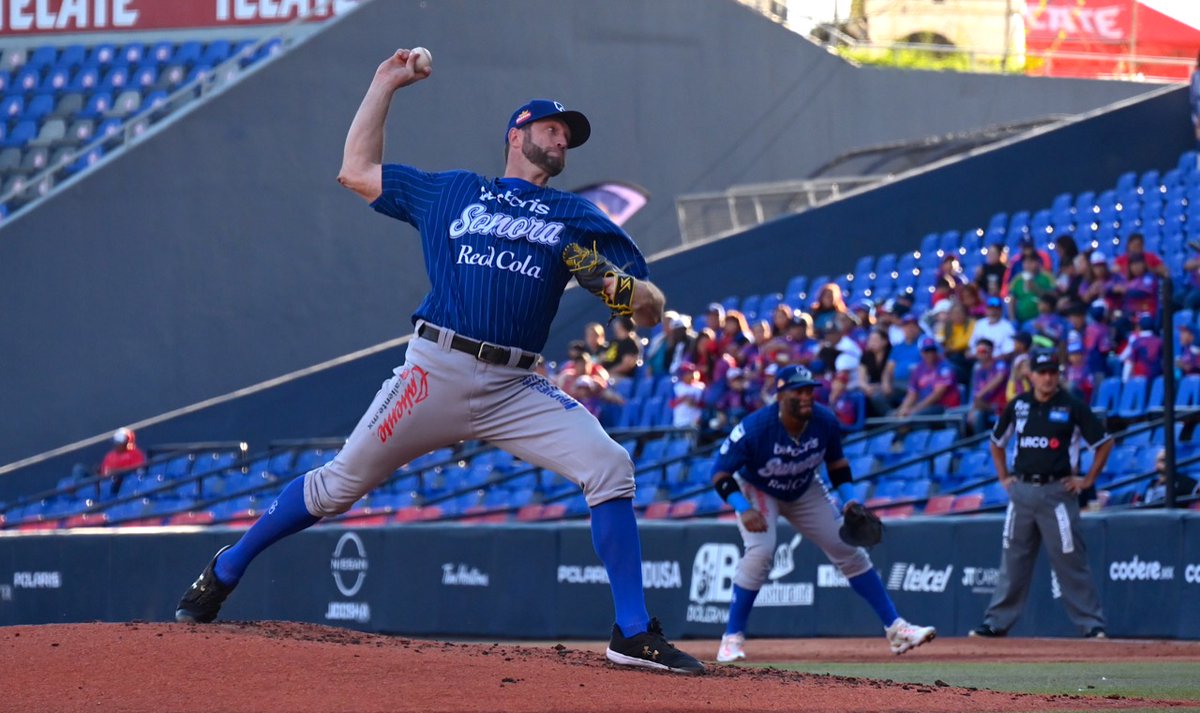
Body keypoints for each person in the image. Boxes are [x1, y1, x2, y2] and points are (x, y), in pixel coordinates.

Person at [173, 51, 704, 676]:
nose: (563, 139)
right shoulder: (454, 191)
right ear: (517, 135)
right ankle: (226, 568)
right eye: (552, 128)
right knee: (337, 487)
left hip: (516, 385)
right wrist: (385, 83)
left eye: (569, 135)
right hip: (434, 370)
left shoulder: (578, 217)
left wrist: (622, 289)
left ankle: (631, 632)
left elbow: (650, 307)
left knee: (610, 466)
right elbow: (355, 171)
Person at [709, 365, 936, 662]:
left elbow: (837, 464)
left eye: (809, 390)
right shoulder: (756, 427)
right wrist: (744, 508)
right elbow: (720, 473)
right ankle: (732, 637)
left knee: (848, 549)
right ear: (781, 395)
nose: (806, 396)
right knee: (761, 552)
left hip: (803, 487)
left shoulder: (824, 420)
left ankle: (896, 629)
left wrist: (850, 500)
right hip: (759, 488)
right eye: (798, 391)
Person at [971, 350, 1113, 639]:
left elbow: (1104, 442)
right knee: (1013, 559)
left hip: (1057, 491)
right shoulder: (1018, 405)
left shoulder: (1072, 407)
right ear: (1031, 375)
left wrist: (1088, 480)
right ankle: (996, 622)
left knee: (1070, 558)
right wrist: (1004, 477)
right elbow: (996, 441)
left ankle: (1091, 624)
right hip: (1022, 491)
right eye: (1042, 372)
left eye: (1052, 372)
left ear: (1058, 375)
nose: (1048, 378)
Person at [895, 337, 961, 418]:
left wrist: (915, 409)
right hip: (925, 407)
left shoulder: (945, 367)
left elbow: (937, 395)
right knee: (894, 415)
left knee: (914, 416)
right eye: (926, 351)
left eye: (932, 350)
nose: (930, 354)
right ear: (921, 352)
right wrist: (902, 409)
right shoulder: (919, 369)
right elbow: (912, 394)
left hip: (944, 407)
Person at [99, 427, 147, 497]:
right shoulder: (110, 456)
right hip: (110, 484)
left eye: (119, 443)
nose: (117, 445)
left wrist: (118, 472)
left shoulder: (135, 453)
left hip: (129, 485)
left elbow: (139, 471)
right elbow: (105, 472)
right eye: (116, 443)